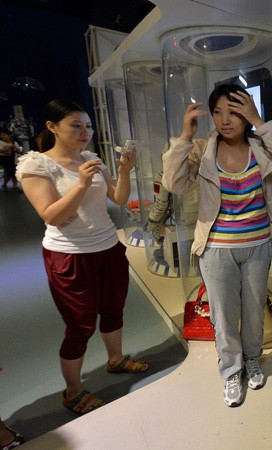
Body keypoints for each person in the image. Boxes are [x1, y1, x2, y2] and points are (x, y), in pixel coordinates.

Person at [162, 84, 272, 407]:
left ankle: (252, 358)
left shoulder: (260, 146)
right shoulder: (201, 149)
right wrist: (183, 137)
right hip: (217, 248)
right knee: (224, 317)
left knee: (253, 313)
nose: (225, 120)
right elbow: (174, 184)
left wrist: (259, 120)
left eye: (234, 111)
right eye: (218, 112)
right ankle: (231, 371)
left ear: (246, 114)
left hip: (258, 244)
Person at [15, 99, 149, 416]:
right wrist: (81, 184)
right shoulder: (36, 166)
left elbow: (117, 196)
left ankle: (115, 359)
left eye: (88, 125)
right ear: (52, 127)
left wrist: (125, 171)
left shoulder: (91, 158)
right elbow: (52, 216)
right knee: (80, 324)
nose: (85, 132)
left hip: (107, 247)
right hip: (69, 254)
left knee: (113, 307)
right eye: (76, 125)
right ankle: (73, 391)